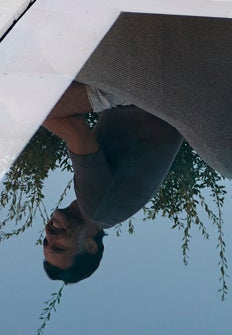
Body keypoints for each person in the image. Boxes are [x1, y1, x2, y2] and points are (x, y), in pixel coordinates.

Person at [36, 79, 184, 284]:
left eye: (46, 241)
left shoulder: (106, 211)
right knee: (34, 105)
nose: (50, 235)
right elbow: (74, 127)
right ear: (90, 246)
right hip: (149, 92)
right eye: (59, 247)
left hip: (152, 96)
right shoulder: (97, 209)